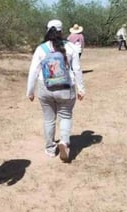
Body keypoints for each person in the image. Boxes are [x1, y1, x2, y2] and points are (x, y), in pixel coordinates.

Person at [26, 19, 85, 162]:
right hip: (66, 88)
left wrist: (30, 91)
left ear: (47, 31)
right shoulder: (70, 47)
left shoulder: (41, 49)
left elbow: (34, 71)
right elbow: (76, 69)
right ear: (61, 31)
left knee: (48, 119)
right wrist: (81, 88)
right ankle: (64, 142)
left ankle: (50, 149)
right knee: (65, 115)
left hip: (45, 88)